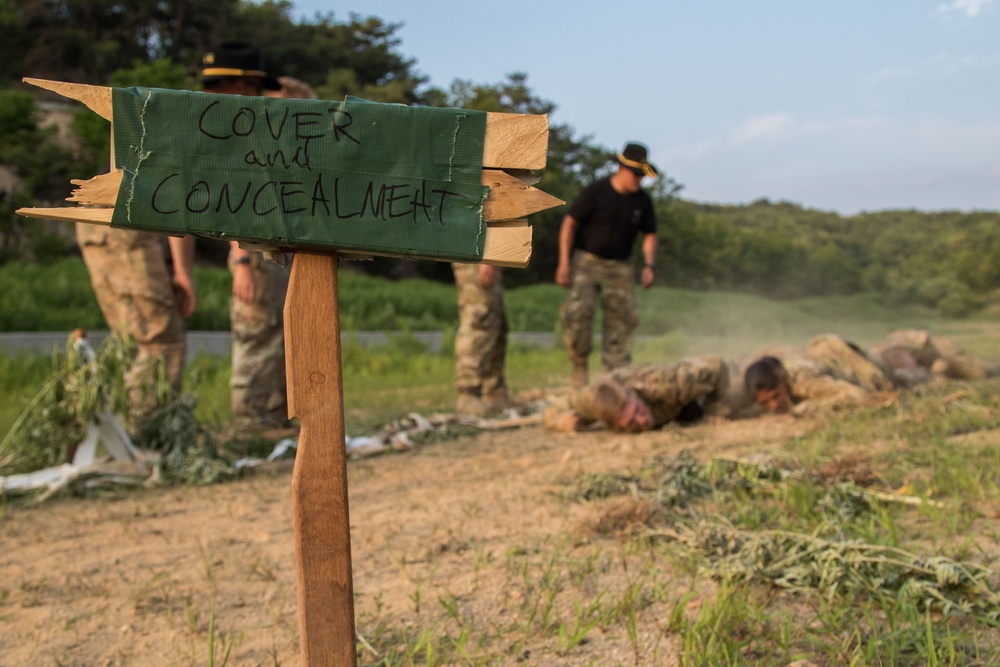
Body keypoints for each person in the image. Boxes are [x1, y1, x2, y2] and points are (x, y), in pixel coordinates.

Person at [199, 41, 292, 432]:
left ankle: (270, 417)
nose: (256, 96)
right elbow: (233, 203)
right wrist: (241, 262)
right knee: (256, 334)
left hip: (271, 252)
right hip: (251, 253)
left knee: (276, 336)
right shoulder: (226, 134)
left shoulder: (244, 131)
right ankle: (251, 423)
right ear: (241, 86)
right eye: (254, 87)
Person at [556, 142, 659, 389]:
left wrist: (650, 265)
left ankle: (617, 378)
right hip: (587, 263)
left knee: (621, 322)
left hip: (620, 267)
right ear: (620, 168)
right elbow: (570, 223)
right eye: (636, 175)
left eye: (642, 176)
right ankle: (580, 369)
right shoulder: (596, 192)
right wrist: (564, 263)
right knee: (579, 313)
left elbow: (650, 235)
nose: (639, 181)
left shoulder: (642, 201)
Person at [76, 220, 196, 427]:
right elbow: (178, 199)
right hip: (130, 229)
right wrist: (183, 272)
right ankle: (147, 432)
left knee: (132, 336)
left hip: (93, 227)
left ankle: (132, 430)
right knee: (160, 342)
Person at [543, 355, 730, 433]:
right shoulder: (593, 400)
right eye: (631, 424)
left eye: (638, 412)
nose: (642, 421)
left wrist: (714, 409)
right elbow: (550, 412)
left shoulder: (670, 384)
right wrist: (564, 422)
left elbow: (717, 365)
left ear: (632, 394)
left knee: (739, 398)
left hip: (687, 397)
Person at [743, 334, 896, 416]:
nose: (774, 405)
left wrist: (806, 409)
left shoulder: (806, 383)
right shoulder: (770, 378)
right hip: (826, 354)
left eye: (776, 396)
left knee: (905, 370)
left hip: (865, 364)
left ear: (783, 380)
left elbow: (854, 395)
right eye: (765, 403)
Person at [452, 262, 512, 417]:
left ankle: (495, 393)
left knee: (497, 323)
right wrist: (487, 259)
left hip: (490, 257)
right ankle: (468, 394)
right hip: (478, 255)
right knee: (480, 321)